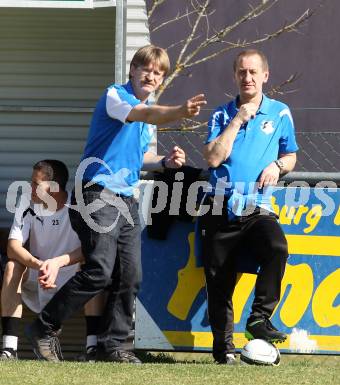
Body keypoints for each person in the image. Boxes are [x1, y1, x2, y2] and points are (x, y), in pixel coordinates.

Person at [25, 44, 206, 363]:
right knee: (99, 270)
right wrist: (178, 112)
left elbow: (141, 156)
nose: (152, 75)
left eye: (159, 72)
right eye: (146, 69)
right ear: (133, 70)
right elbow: (140, 113)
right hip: (96, 190)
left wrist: (164, 161)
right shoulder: (115, 96)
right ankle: (43, 326)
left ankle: (116, 345)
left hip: (126, 197)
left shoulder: (148, 115)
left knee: (130, 275)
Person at [200, 49, 298, 364]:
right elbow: (213, 158)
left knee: (276, 247)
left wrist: (278, 165)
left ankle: (259, 318)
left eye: (254, 72)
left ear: (265, 75)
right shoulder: (221, 114)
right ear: (235, 76)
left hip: (257, 207)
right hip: (219, 205)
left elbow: (292, 155)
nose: (248, 77)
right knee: (219, 282)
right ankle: (224, 351)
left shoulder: (281, 113)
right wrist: (238, 118)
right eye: (242, 72)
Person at [0, 160, 104, 360]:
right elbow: (13, 248)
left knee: (94, 268)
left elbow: (91, 247)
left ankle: (93, 349)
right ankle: (9, 349)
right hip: (38, 273)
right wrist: (40, 265)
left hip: (71, 276)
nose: (30, 189)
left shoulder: (79, 206)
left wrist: (57, 263)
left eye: (36, 185)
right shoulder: (27, 204)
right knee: (12, 266)